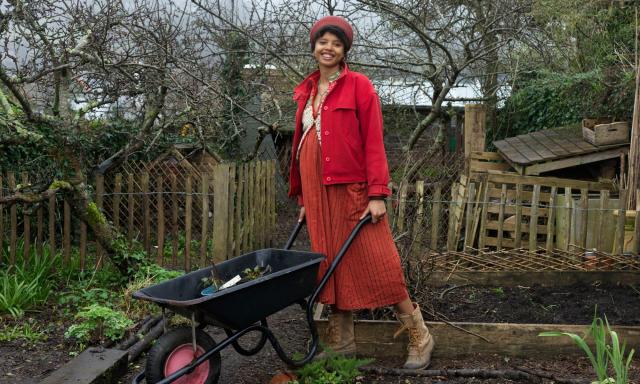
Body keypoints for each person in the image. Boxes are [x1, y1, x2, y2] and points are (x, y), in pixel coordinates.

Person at [287, 15, 435, 369]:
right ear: (314, 47)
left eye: (336, 43)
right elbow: (300, 146)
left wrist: (377, 193)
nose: (329, 48)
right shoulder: (306, 91)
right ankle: (343, 342)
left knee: (379, 262)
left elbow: (373, 142)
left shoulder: (359, 86)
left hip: (351, 192)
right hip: (317, 195)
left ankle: (419, 334)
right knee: (330, 264)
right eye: (323, 42)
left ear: (344, 50)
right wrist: (305, 199)